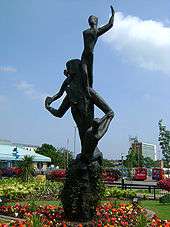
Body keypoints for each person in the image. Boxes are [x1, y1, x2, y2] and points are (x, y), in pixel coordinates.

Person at [81, 6, 115, 88]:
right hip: (84, 55)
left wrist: (113, 15)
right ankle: (86, 89)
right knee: (84, 73)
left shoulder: (97, 31)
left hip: (90, 56)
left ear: (96, 21)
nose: (89, 20)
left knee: (90, 75)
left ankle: (90, 90)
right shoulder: (85, 32)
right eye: (89, 19)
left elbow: (110, 25)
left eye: (92, 18)